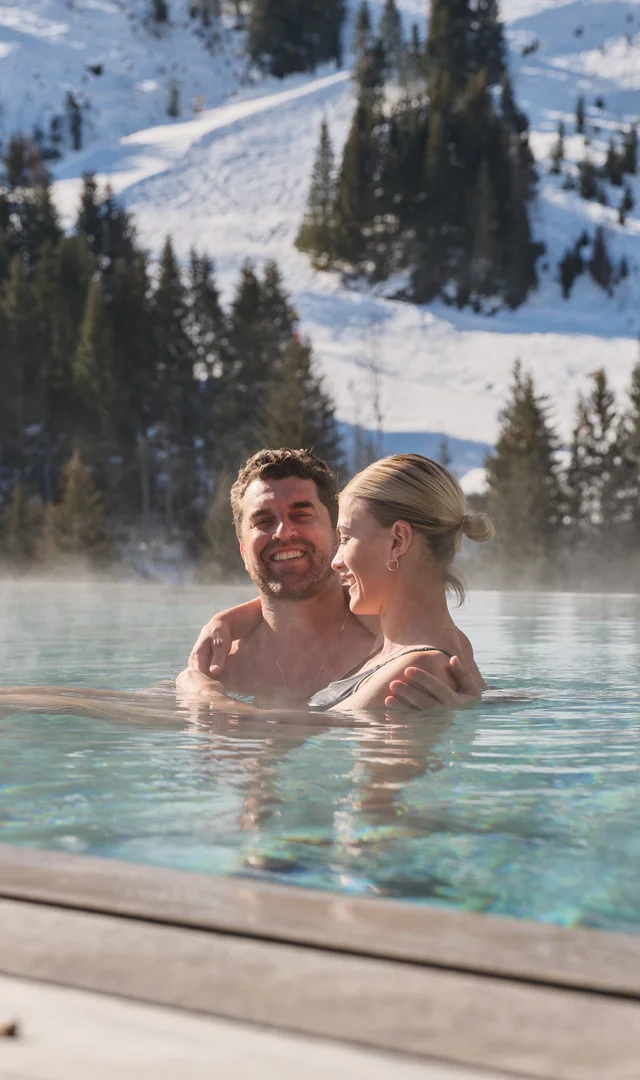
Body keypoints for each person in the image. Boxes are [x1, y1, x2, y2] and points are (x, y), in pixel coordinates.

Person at [178, 448, 490, 713]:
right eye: (263, 520)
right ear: (243, 548)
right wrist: (227, 620)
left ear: (397, 541)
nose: (337, 559)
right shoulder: (408, 651)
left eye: (345, 537)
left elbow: (318, 732)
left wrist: (207, 699)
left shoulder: (417, 672)